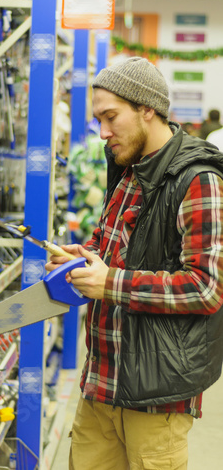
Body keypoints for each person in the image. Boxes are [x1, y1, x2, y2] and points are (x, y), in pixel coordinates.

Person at [45, 57, 223, 470]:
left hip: (156, 398)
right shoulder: (127, 169)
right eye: (98, 119)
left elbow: (206, 287)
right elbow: (114, 245)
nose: (103, 132)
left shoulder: (198, 179)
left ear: (148, 109)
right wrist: (82, 257)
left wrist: (111, 283)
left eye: (111, 117)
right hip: (101, 384)